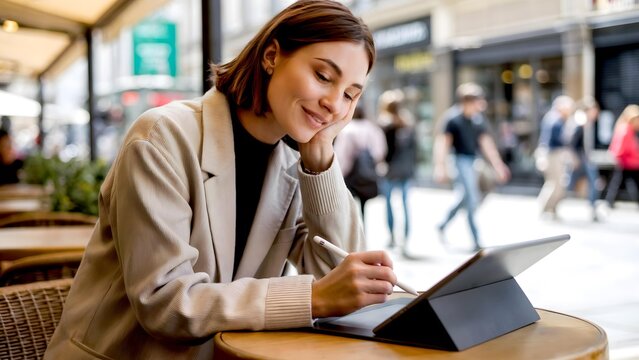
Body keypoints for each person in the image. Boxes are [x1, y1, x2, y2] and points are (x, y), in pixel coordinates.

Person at [45, 2, 399, 358]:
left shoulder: (294, 164)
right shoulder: (162, 137)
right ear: (272, 55)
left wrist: (321, 158)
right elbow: (165, 304)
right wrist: (312, 297)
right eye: (323, 76)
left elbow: (340, 280)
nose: (334, 105)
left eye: (351, 95)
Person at [433, 83, 510, 252]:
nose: (480, 105)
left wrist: (498, 166)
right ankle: (476, 240)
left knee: (466, 198)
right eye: (477, 101)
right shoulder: (452, 119)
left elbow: (486, 144)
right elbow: (443, 144)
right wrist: (440, 167)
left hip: (474, 161)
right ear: (467, 101)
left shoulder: (477, 119)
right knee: (471, 198)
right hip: (459, 161)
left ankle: (442, 224)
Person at [377, 90, 417, 253]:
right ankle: (405, 238)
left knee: (389, 203)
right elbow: (415, 149)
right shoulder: (408, 123)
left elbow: (384, 150)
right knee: (405, 204)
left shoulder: (385, 124)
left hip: (390, 170)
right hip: (406, 170)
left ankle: (393, 236)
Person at [334, 106, 387, 226]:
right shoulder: (373, 129)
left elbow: (341, 154)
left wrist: (339, 174)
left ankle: (353, 231)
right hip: (368, 175)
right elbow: (379, 152)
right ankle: (363, 230)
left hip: (351, 175)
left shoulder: (347, 129)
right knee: (364, 206)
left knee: (349, 205)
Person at [536, 95, 575, 219]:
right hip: (552, 155)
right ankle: (545, 208)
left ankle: (552, 209)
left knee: (556, 184)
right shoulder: (555, 119)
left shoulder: (553, 118)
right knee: (555, 184)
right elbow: (561, 140)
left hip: (551, 154)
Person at [566, 97, 601, 221]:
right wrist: (574, 157)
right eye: (594, 111)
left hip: (583, 157)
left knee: (589, 182)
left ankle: (593, 209)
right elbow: (572, 142)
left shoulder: (584, 120)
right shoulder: (580, 120)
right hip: (581, 158)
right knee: (591, 182)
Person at [605, 104, 639, 208]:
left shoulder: (627, 129)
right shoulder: (625, 130)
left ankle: (609, 202)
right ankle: (609, 202)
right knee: (618, 183)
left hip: (629, 162)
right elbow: (620, 148)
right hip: (628, 163)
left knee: (618, 183)